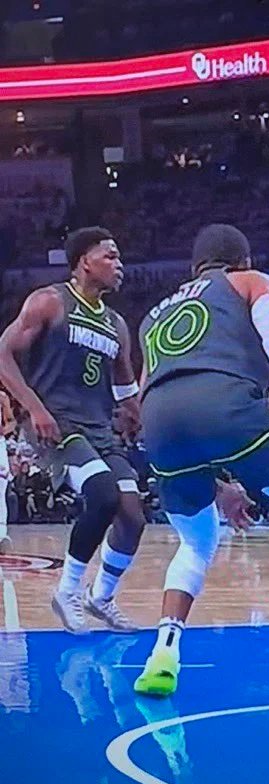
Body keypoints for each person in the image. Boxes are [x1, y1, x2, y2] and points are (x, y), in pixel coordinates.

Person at [135, 223, 269, 697]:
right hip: (226, 405)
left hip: (159, 423)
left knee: (196, 542)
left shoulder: (152, 317)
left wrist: (219, 484)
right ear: (244, 261)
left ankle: (163, 655)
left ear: (194, 267)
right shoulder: (251, 282)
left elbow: (149, 392)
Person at [0, 227, 144, 633]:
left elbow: (125, 386)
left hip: (99, 427)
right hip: (56, 424)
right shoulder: (50, 301)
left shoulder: (117, 324)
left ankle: (101, 597)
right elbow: (3, 354)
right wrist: (34, 408)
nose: (119, 265)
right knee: (103, 495)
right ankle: (67, 592)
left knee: (133, 517)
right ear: (85, 262)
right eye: (110, 256)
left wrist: (138, 414)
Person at [0, 389, 16, 552]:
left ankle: (1, 534)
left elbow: (12, 422)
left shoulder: (2, 397)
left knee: (1, 488)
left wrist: (4, 430)